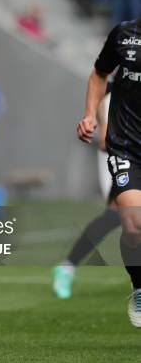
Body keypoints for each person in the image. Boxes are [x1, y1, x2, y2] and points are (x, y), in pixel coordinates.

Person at [77, 17, 141, 327]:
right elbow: (99, 74)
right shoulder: (125, 34)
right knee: (132, 224)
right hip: (127, 146)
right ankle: (139, 286)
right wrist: (90, 115)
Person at [54, 87, 120, 299]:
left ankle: (67, 266)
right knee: (116, 215)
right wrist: (103, 127)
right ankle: (67, 267)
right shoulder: (125, 64)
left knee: (115, 217)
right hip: (119, 149)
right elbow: (103, 86)